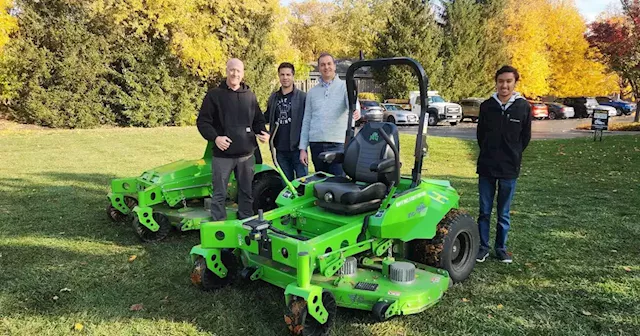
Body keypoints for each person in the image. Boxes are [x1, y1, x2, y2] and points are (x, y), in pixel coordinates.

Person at [196, 58, 270, 221]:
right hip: (223, 155)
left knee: (246, 192)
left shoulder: (249, 95)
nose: (235, 73)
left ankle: (246, 222)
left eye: (238, 71)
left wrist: (263, 132)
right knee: (219, 193)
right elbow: (203, 121)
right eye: (232, 70)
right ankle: (218, 226)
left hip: (246, 155)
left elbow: (258, 119)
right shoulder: (214, 95)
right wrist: (215, 138)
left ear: (243, 74)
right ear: (227, 71)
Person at [476, 65, 531, 264]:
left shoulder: (523, 106)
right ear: (496, 82)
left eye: (508, 81)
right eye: (501, 81)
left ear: (515, 83)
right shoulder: (486, 106)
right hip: (487, 167)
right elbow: (481, 136)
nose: (504, 85)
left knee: (503, 212)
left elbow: (525, 138)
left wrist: (512, 154)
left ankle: (501, 248)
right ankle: (483, 247)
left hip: (509, 168)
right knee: (484, 210)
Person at [298, 53, 361, 176]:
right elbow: (307, 120)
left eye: (329, 64)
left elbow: (353, 105)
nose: (326, 67)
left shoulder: (344, 87)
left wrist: (356, 111)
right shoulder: (312, 92)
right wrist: (303, 148)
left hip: (337, 143)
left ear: (335, 66)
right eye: (322, 65)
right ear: (319, 68)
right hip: (316, 144)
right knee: (321, 183)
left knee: (338, 184)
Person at [264, 62, 308, 181]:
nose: (285, 77)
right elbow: (266, 117)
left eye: (288, 74)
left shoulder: (303, 97)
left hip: (298, 149)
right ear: (278, 76)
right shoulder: (273, 98)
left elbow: (309, 120)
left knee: (302, 184)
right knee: (286, 185)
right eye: (282, 74)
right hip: (280, 149)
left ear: (293, 76)